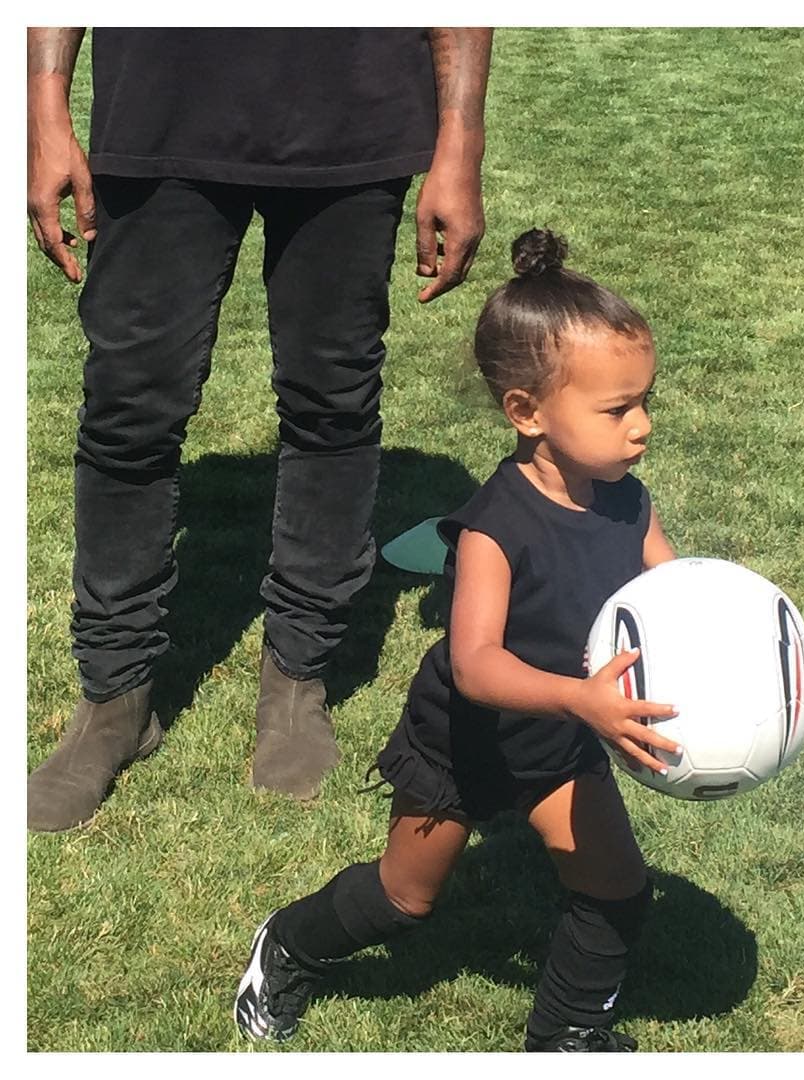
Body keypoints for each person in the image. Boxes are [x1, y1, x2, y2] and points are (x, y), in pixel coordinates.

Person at [26, 28, 493, 831]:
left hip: (354, 109)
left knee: (331, 402)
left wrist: (461, 136)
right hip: (159, 110)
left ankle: (297, 679)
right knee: (128, 409)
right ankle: (115, 699)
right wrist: (45, 106)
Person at [234, 229, 683, 1052]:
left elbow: (674, 598)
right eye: (618, 409)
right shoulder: (493, 528)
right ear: (527, 412)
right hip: (463, 742)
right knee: (405, 899)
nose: (642, 426)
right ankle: (290, 944)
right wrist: (583, 698)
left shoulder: (629, 502)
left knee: (618, 889)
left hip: (561, 736)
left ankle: (567, 1035)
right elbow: (476, 665)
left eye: (645, 401)